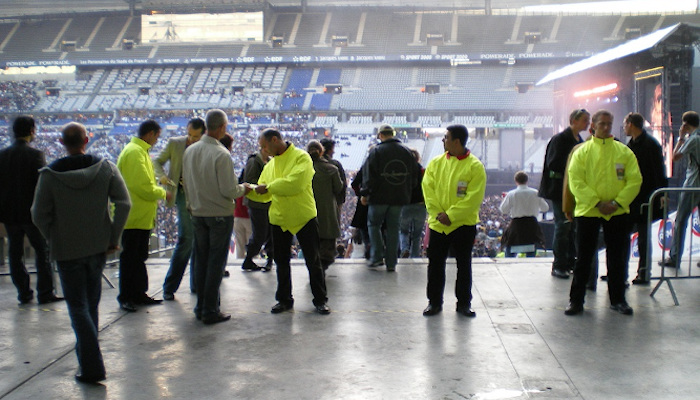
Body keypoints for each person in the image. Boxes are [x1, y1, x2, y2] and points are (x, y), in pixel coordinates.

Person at [31, 122, 131, 384]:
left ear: (62, 143)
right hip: (98, 246)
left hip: (66, 250)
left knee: (77, 307)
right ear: (87, 139)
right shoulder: (105, 167)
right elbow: (124, 203)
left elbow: (38, 214)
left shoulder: (49, 175)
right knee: (91, 305)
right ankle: (89, 361)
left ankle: (91, 365)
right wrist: (113, 237)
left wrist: (53, 236)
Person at [565, 110, 642, 316]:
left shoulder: (624, 152)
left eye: (609, 123)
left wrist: (617, 202)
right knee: (583, 258)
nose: (606, 127)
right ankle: (576, 301)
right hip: (589, 211)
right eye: (602, 124)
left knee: (617, 258)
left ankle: (618, 300)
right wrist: (597, 202)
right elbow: (576, 181)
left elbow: (635, 180)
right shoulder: (582, 152)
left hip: (617, 212)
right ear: (594, 126)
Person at [182, 109, 250, 325]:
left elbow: (187, 183)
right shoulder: (221, 154)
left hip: (198, 213)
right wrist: (245, 188)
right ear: (222, 127)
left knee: (201, 261)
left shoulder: (190, 151)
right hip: (219, 215)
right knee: (215, 264)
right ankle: (210, 309)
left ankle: (201, 306)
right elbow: (230, 190)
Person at [254, 128, 330, 315]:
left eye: (264, 146)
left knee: (313, 260)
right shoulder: (270, 166)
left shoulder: (301, 157)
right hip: (279, 218)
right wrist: (251, 190)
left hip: (303, 216)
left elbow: (294, 183)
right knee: (281, 261)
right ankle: (284, 299)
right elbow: (265, 195)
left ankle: (320, 299)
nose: (264, 150)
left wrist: (268, 187)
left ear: (274, 140)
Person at [421, 124, 486, 317]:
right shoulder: (435, 163)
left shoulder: (475, 167)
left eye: (446, 137)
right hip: (439, 224)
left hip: (463, 225)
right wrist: (439, 214)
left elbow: (473, 198)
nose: (443, 140)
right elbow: (428, 190)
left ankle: (464, 303)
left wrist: (451, 215)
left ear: (456, 141)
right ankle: (434, 302)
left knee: (464, 265)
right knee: (435, 265)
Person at [0, 116, 62, 305]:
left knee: (14, 252)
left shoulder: (2, 155)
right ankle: (45, 293)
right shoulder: (36, 155)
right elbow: (41, 186)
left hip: (9, 214)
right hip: (31, 214)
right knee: (42, 251)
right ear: (32, 131)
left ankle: (24, 293)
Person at [116, 120, 170, 312]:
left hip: (141, 215)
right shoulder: (134, 153)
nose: (157, 141)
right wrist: (164, 192)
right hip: (134, 216)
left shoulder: (139, 151)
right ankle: (126, 296)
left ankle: (138, 293)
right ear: (150, 134)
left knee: (138, 257)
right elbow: (142, 187)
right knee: (130, 257)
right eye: (157, 136)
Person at [155, 117, 204, 301]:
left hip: (200, 195)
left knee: (198, 239)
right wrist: (162, 178)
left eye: (196, 136)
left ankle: (196, 285)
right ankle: (170, 286)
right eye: (189, 135)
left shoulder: (206, 146)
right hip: (182, 193)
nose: (192, 139)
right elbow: (157, 162)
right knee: (187, 238)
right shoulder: (175, 144)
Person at [360, 124, 420, 271]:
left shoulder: (376, 152)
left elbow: (369, 176)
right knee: (394, 229)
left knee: (374, 225)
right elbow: (414, 175)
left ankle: (377, 257)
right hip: (399, 198)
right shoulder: (406, 151)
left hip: (378, 198)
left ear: (380, 135)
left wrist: (365, 193)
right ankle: (392, 263)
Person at [539, 109, 589, 279]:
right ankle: (559, 264)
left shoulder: (579, 140)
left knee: (572, 226)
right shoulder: (560, 139)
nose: (587, 124)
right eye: (584, 120)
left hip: (573, 188)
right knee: (563, 226)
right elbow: (553, 163)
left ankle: (569, 261)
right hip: (560, 189)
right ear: (574, 120)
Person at [624, 113, 667, 284]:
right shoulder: (631, 144)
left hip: (645, 198)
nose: (624, 127)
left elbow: (659, 170)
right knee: (625, 236)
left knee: (643, 237)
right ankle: (621, 273)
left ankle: (644, 272)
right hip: (631, 197)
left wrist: (662, 193)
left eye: (625, 124)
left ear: (632, 124)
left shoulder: (650, 145)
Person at [660, 111, 700, 270]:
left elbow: (675, 156)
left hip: (692, 185)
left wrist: (681, 137)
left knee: (681, 220)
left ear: (685, 124)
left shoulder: (694, 139)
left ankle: (675, 257)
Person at [307, 140, 344, 270]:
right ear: (322, 152)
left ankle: (314, 265)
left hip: (308, 209)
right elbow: (339, 188)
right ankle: (323, 265)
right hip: (328, 210)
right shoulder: (332, 169)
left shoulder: (303, 169)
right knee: (327, 240)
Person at [499, 171, 548, 257]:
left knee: (509, 251)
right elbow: (545, 208)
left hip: (516, 226)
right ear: (527, 180)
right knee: (531, 249)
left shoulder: (511, 194)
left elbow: (503, 210)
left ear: (516, 181)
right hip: (532, 225)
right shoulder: (535, 193)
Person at [241, 146, 274, 272]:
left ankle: (270, 259)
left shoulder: (271, 161)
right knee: (260, 233)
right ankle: (248, 258)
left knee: (271, 233)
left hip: (269, 203)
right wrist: (267, 185)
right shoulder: (254, 161)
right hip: (256, 203)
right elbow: (249, 180)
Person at [399, 148, 427, 258]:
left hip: (405, 205)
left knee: (403, 231)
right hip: (420, 206)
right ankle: (414, 256)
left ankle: (404, 249)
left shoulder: (402, 171)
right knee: (417, 234)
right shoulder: (423, 171)